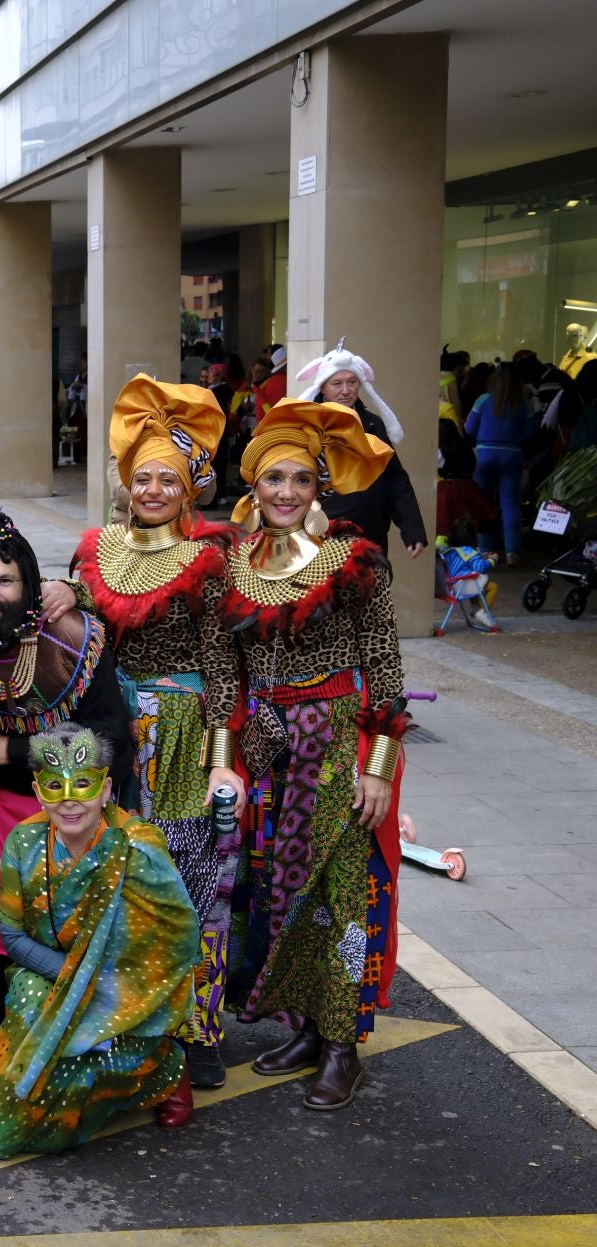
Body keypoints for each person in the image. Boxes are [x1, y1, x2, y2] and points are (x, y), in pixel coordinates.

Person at [50, 376, 239, 1089]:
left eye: (170, 479)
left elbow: (224, 669)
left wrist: (224, 761)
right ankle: (126, 1022)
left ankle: (200, 1028)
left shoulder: (208, 561)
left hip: (183, 744)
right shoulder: (95, 552)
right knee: (112, 884)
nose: (154, 489)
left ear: (191, 489)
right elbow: (79, 649)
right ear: (125, 483)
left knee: (193, 886)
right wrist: (68, 600)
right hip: (109, 737)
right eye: (143, 477)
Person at [221, 399, 408, 1112]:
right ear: (255, 488)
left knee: (345, 903)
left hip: (337, 746)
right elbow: (224, 665)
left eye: (302, 479)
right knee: (284, 896)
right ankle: (305, 1027)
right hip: (271, 752)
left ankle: (342, 1047)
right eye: (275, 480)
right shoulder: (235, 565)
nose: (288, 493)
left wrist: (379, 766)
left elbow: (387, 670)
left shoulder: (354, 563)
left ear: (319, 487)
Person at [0, 725, 199, 1157]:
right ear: (38, 792)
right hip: (51, 967)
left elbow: (175, 932)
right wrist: (68, 977)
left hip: (125, 975)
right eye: (54, 785)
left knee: (105, 1027)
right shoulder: (24, 842)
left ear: (106, 790)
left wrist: (99, 982)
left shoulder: (137, 846)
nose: (68, 799)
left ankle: (164, 1074)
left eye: (83, 784)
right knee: (29, 1006)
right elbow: (11, 934)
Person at [0, 509, 134, 1039]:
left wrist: (16, 750)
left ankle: (79, 995)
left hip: (80, 805)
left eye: (3, 580)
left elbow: (110, 740)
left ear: (29, 584)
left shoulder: (75, 638)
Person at [294, 342, 427, 557]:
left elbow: (395, 480)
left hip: (369, 532)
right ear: (322, 387)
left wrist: (412, 530)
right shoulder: (305, 426)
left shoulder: (373, 425)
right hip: (320, 533)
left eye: (352, 382)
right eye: (337, 383)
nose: (345, 390)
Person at [464, 362, 539, 565]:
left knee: (483, 502)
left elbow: (469, 428)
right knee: (511, 503)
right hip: (512, 455)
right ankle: (513, 551)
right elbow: (531, 434)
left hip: (484, 454)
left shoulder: (483, 400)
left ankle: (484, 548)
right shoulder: (524, 404)